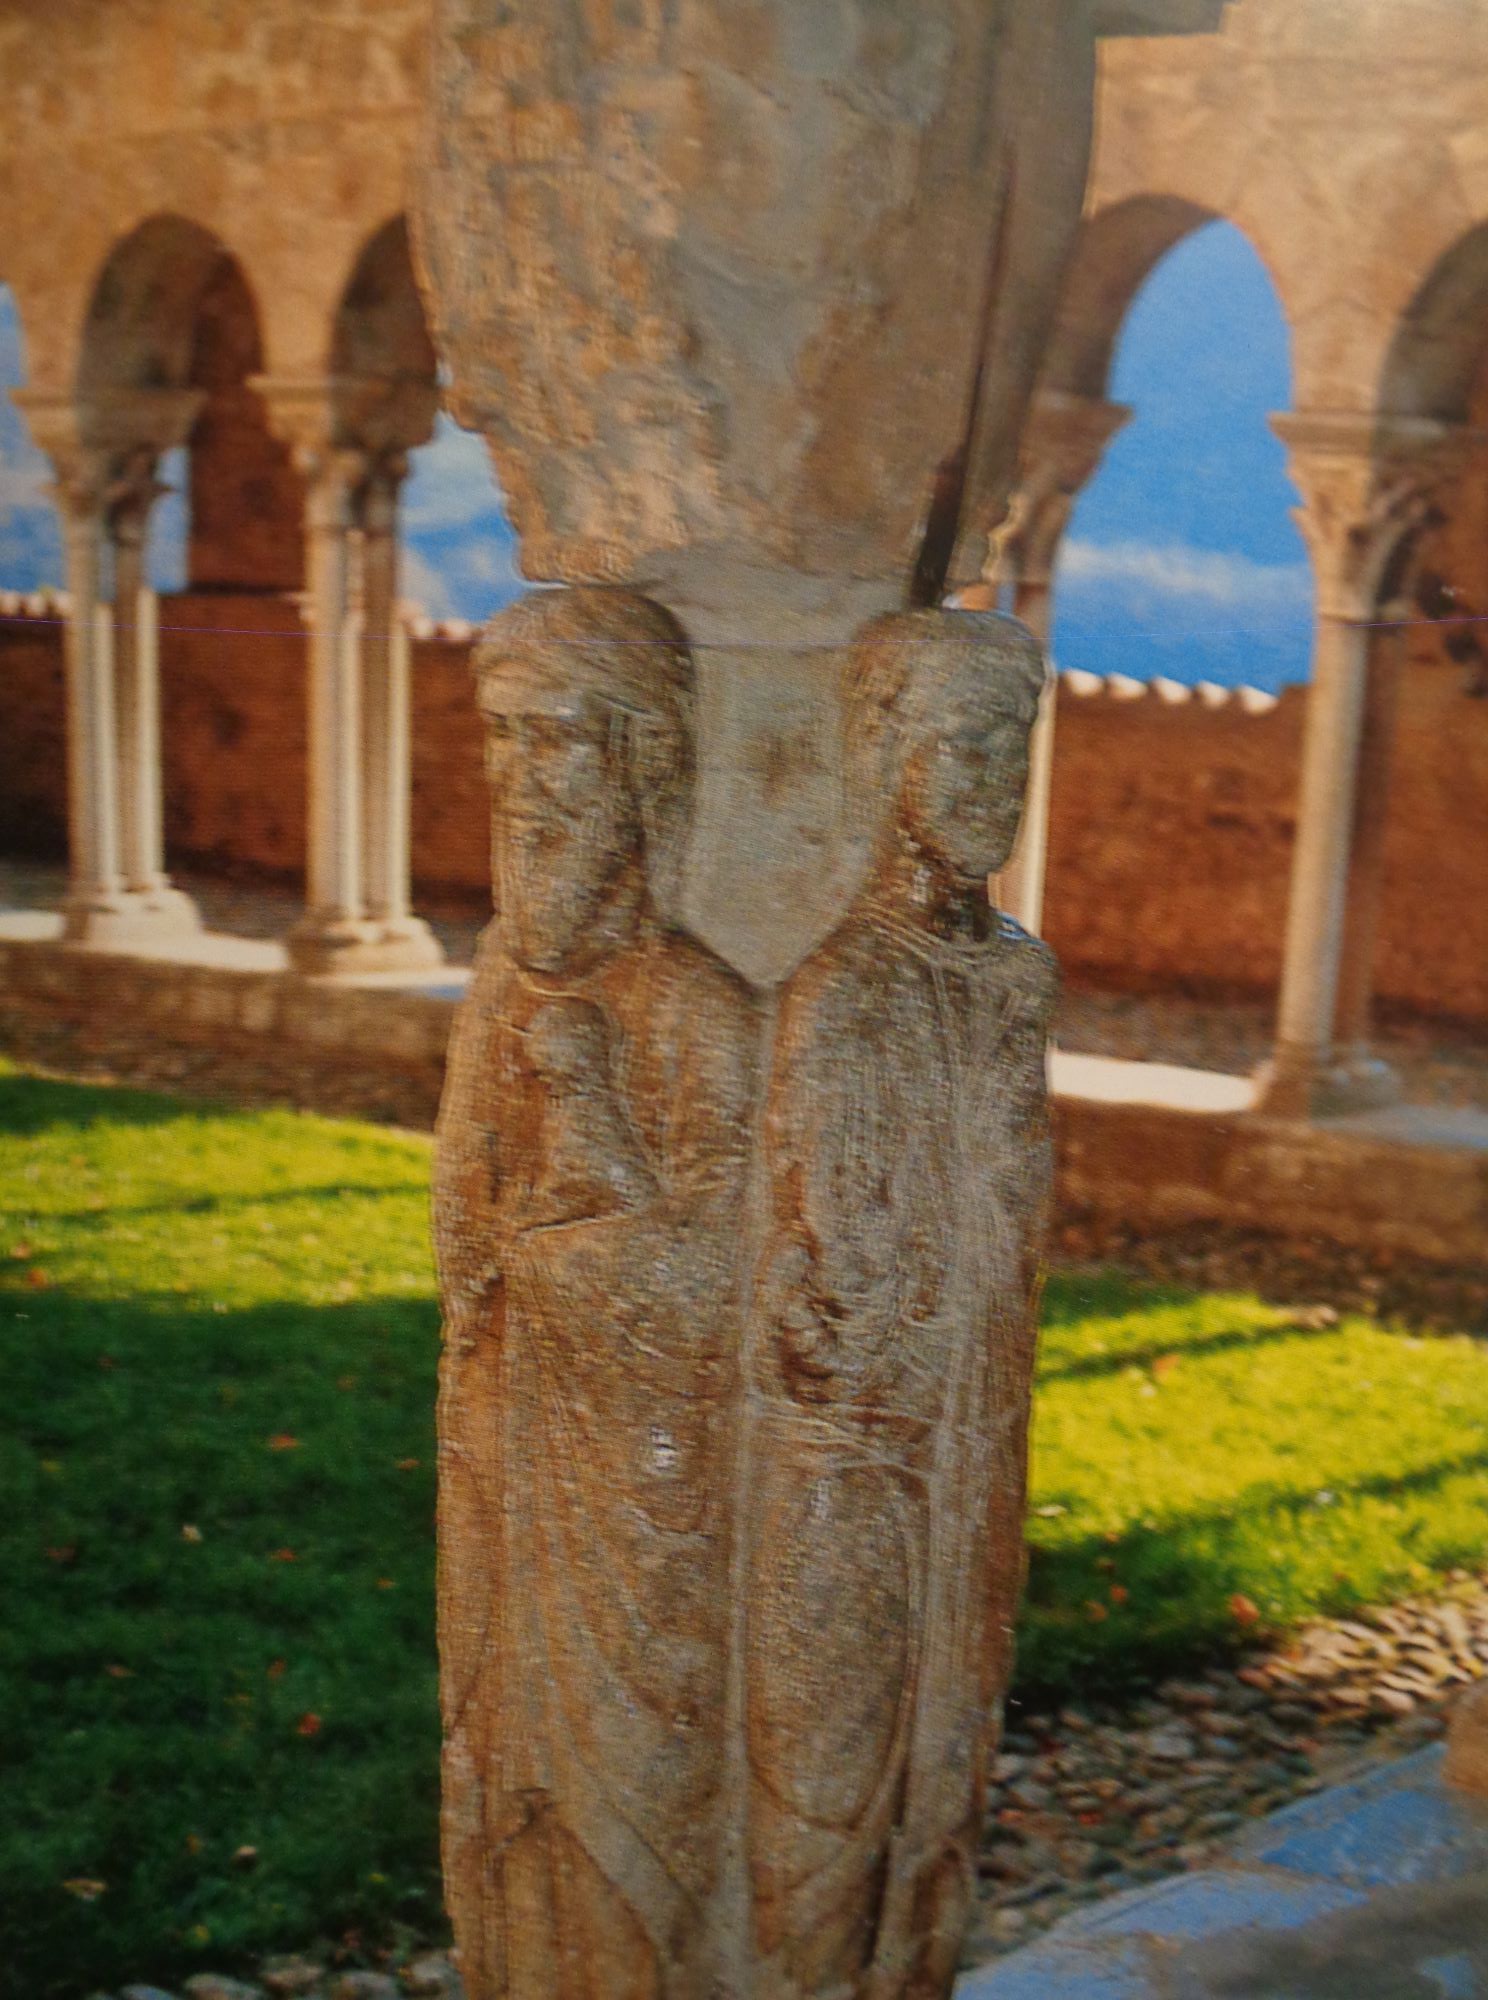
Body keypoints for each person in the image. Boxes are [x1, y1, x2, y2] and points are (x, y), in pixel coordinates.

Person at [433, 587, 759, 1998]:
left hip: (642, 1491)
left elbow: (712, 1288)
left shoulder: (694, 1008)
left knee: (632, 1800)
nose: (522, 784)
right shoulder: (503, 984)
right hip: (504, 1452)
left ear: (641, 767)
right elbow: (466, 1237)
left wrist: (568, 1227)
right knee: (506, 1785)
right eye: (502, 743)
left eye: (558, 745)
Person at [745, 607, 1057, 1999]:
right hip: (863, 1456)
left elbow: (1010, 1201)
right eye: (960, 746)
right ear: (883, 763)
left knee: (945, 1762)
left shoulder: (1014, 976)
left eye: (1014, 748)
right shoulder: (844, 992)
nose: (993, 779)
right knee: (831, 1780)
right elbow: (813, 1294)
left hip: (976, 1431)